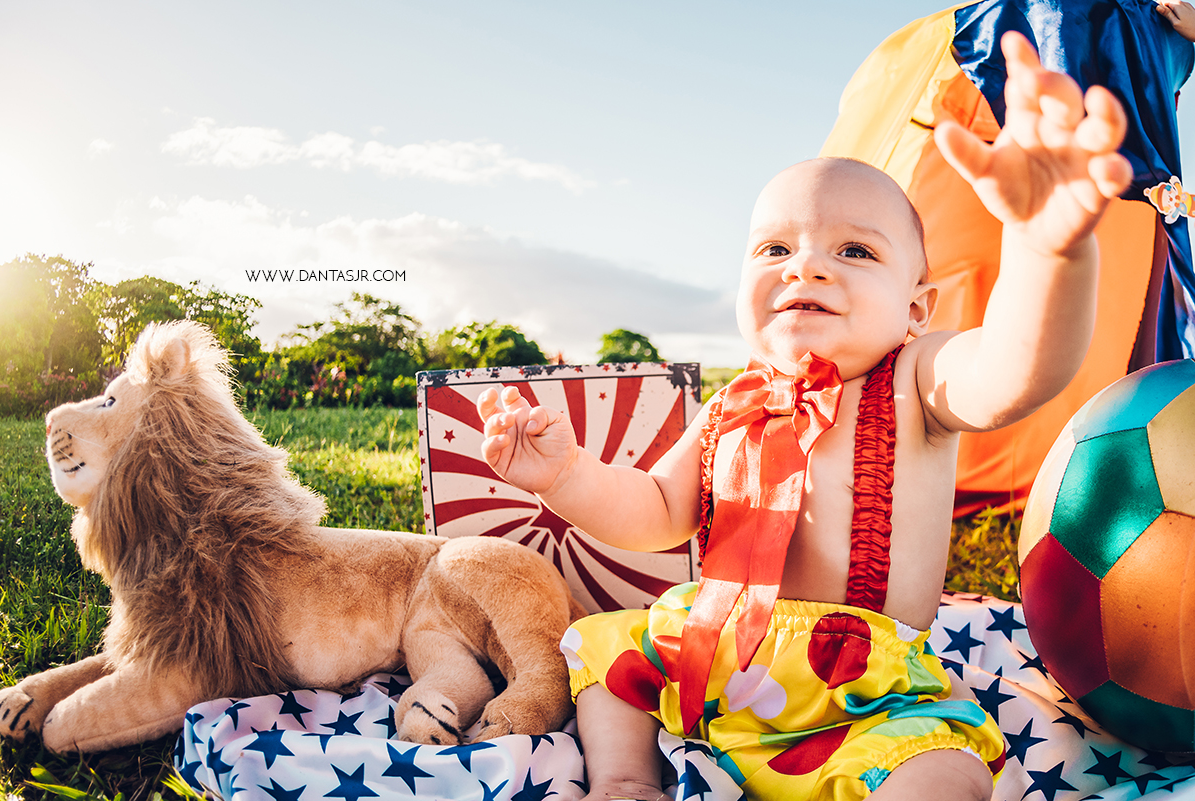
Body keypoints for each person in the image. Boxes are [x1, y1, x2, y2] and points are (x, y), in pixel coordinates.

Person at [477, 32, 1130, 801]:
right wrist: (567, 474)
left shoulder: (916, 383)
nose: (807, 266)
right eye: (775, 248)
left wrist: (1048, 249)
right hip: (711, 660)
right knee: (602, 649)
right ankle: (626, 779)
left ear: (917, 309)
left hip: (865, 700)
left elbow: (1020, 365)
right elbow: (655, 511)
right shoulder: (731, 405)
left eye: (855, 251)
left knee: (945, 770)